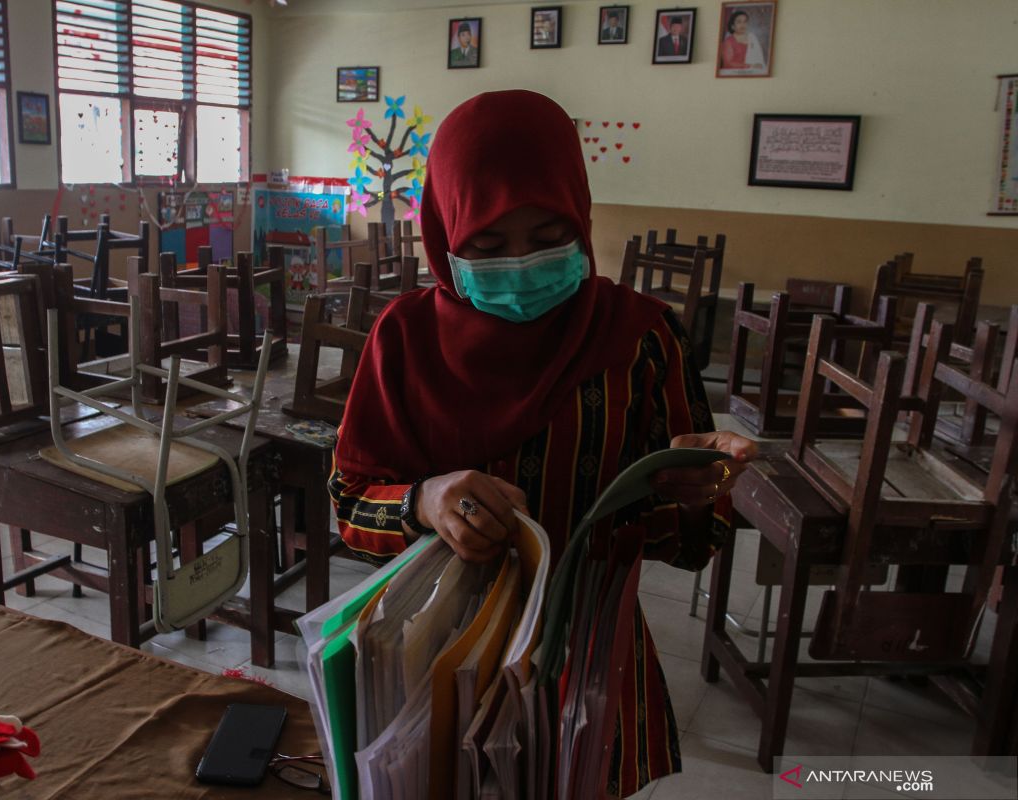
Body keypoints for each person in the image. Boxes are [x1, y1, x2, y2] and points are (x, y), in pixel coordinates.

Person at [327, 90, 757, 797]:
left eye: (549, 235)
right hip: (435, 653)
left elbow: (692, 544)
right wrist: (423, 499)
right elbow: (348, 501)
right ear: (444, 234)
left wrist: (692, 492)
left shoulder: (641, 339)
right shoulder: (403, 340)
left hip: (587, 658)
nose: (522, 266)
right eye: (488, 247)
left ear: (582, 219)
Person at [719, 9, 767, 73]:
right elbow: (728, 63)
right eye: (739, 22)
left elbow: (759, 59)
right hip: (733, 74)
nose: (743, 25)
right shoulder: (728, 42)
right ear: (732, 26)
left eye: (745, 22)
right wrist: (750, 66)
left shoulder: (752, 38)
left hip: (752, 72)